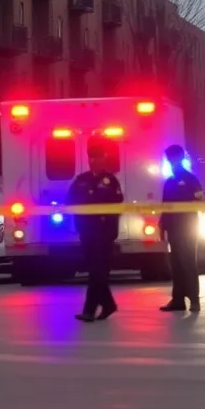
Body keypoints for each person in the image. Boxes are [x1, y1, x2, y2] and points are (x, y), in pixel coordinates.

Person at [67, 136, 124, 322]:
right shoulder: (81, 180)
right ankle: (107, 305)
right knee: (95, 271)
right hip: (87, 232)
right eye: (91, 157)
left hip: (105, 233)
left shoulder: (111, 180)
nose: (94, 161)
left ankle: (90, 311)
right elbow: (70, 201)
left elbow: (118, 203)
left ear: (103, 159)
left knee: (98, 272)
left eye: (97, 157)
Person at [159, 144, 205, 312]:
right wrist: (162, 226)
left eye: (174, 158)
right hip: (173, 229)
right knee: (176, 263)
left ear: (181, 158)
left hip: (188, 228)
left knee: (188, 263)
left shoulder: (191, 179)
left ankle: (194, 300)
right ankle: (178, 300)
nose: (172, 162)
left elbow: (201, 202)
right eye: (169, 159)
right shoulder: (169, 182)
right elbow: (165, 207)